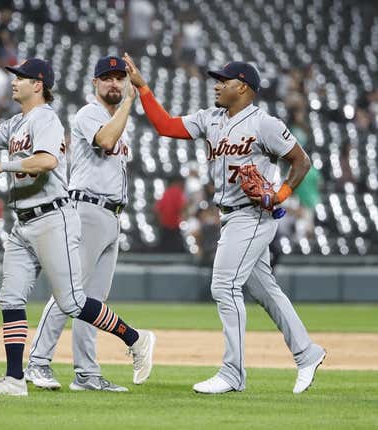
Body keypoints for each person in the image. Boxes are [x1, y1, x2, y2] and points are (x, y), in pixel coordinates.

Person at [123, 54, 326, 394]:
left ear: (243, 87)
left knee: (224, 286)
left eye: (224, 80)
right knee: (265, 290)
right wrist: (143, 88)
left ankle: (233, 373)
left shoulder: (266, 124)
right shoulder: (210, 119)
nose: (216, 85)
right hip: (229, 215)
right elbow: (165, 125)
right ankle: (308, 353)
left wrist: (280, 194)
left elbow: (301, 161)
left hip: (253, 215)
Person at [0, 58, 155, 397]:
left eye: (21, 77)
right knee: (11, 297)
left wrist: (0, 166)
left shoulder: (45, 118)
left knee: (74, 301)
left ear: (39, 84)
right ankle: (15, 378)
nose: (14, 81)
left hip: (52, 218)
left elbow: (47, 161)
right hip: (24, 223)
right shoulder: (18, 122)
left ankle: (134, 339)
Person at [25, 56, 136, 392]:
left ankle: (86, 374)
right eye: (108, 78)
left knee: (93, 304)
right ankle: (37, 363)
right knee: (69, 292)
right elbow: (105, 142)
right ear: (95, 83)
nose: (114, 84)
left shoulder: (116, 118)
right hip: (87, 208)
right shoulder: (89, 114)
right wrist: (131, 99)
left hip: (111, 215)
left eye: (120, 78)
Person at [154, 176, 187, 253]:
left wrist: (160, 221)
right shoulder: (178, 191)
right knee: (176, 246)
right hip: (175, 223)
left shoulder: (166, 192)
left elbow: (157, 209)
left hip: (165, 223)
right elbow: (181, 207)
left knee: (165, 246)